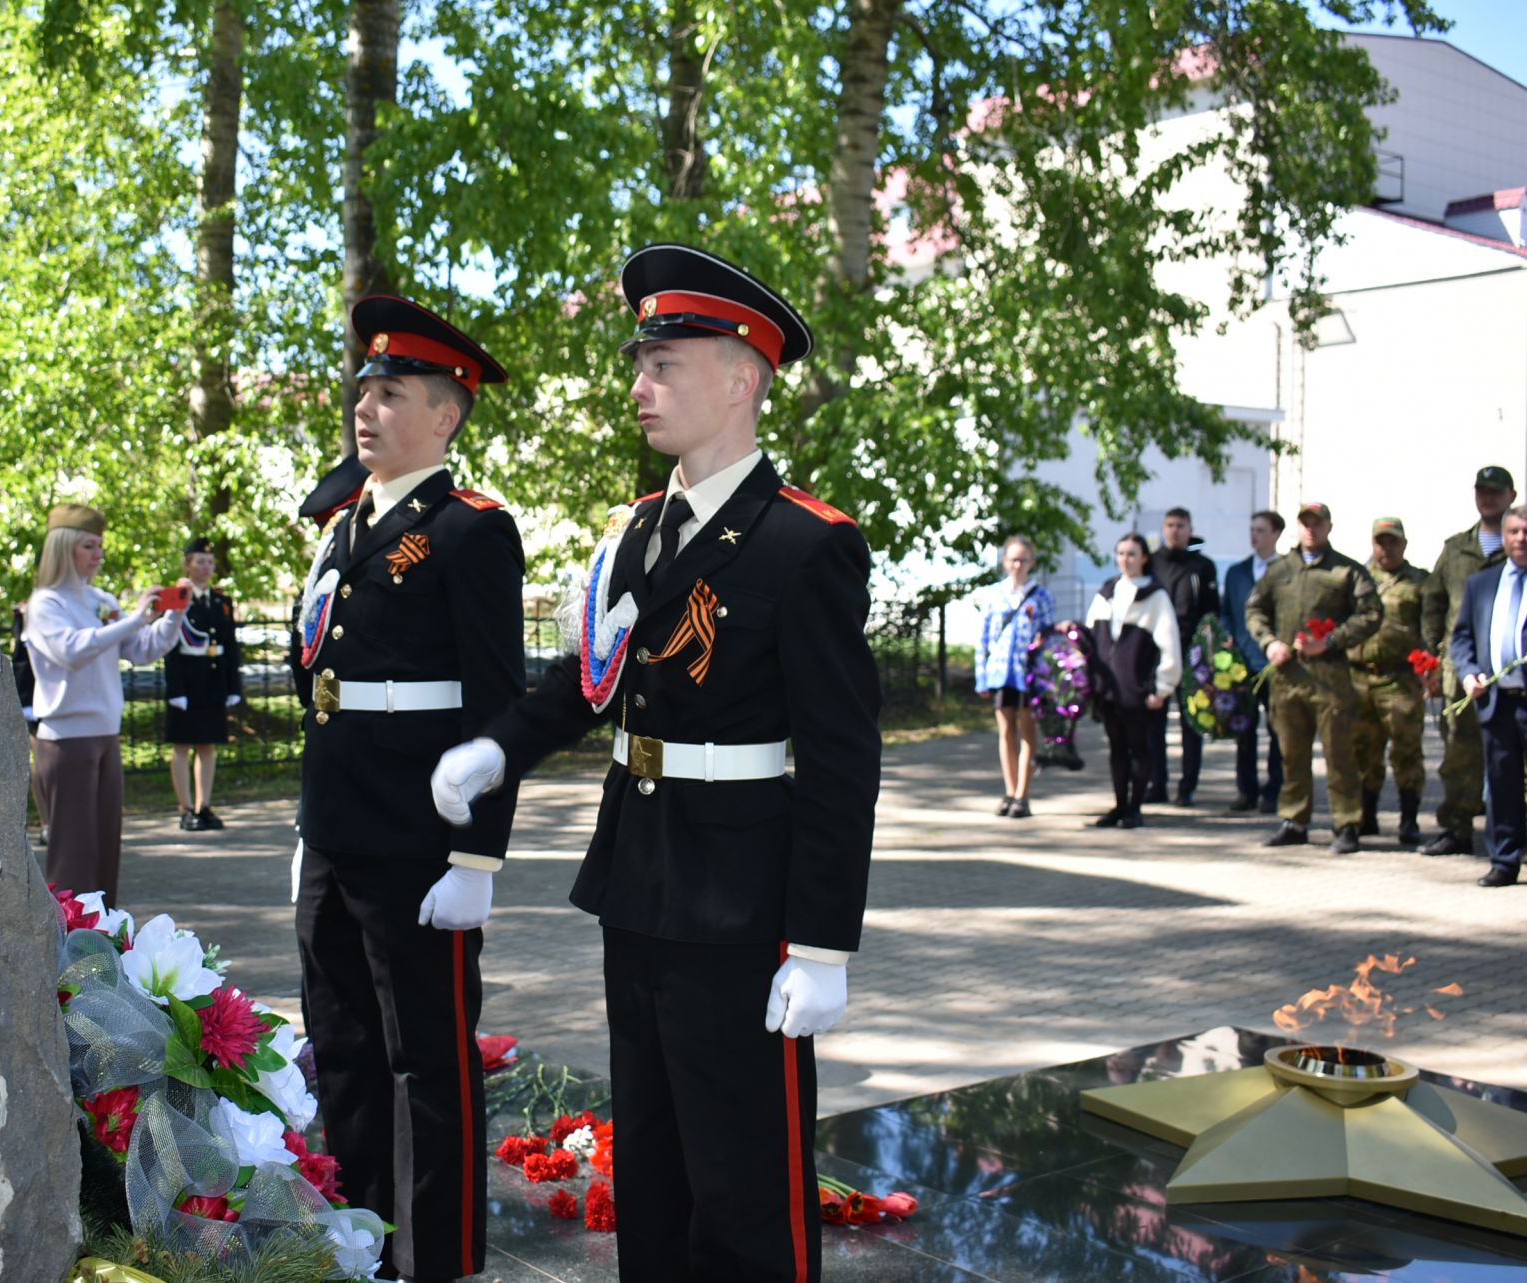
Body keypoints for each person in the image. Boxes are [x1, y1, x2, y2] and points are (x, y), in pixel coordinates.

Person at [430, 243, 880, 1283]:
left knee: (743, 1178)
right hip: (637, 878)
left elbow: (843, 758)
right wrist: (497, 745)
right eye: (641, 363)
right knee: (655, 1170)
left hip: (741, 896)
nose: (641, 384)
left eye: (666, 363)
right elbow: (586, 675)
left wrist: (820, 942)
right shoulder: (638, 533)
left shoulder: (804, 544)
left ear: (742, 378)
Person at [290, 295, 526, 1282]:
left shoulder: (472, 530)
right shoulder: (346, 524)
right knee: (339, 1046)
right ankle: (360, 1242)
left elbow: (499, 701)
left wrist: (477, 855)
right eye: (364, 390)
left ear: (444, 414)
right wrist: (311, 829)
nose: (366, 407)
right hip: (339, 822)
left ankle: (436, 1260)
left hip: (421, 836)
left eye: (391, 394)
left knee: (427, 1058)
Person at [23, 504, 182, 904]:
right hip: (67, 741)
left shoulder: (101, 599)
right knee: (74, 860)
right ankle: (67, 955)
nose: (99, 555)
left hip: (105, 737)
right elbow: (71, 651)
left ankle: (101, 950)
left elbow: (140, 649)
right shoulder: (46, 604)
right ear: (64, 548)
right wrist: (135, 620)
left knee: (104, 855)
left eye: (100, 547)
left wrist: (172, 616)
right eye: (89, 546)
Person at [1245, 502, 1382, 853]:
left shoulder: (1346, 571)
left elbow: (1371, 614)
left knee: (1340, 754)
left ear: (1328, 527)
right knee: (1291, 753)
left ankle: (1347, 823)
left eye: (1317, 524)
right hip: (1288, 677)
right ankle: (1294, 820)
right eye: (1305, 523)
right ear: (1298, 527)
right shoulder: (1279, 570)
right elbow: (1255, 609)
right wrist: (1269, 642)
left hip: (1331, 679)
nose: (1311, 529)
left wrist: (1332, 640)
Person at [1420, 465, 1517, 856]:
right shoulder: (1456, 548)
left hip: (1510, 669)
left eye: (1495, 491)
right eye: (1482, 491)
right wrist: (1430, 653)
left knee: (1514, 758)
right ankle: (1457, 828)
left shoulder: (1520, 545)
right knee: (1459, 754)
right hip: (1461, 668)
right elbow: (1433, 602)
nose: (1487, 498)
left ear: (1511, 496)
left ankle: (1515, 834)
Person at [1078, 533, 1181, 829]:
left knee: (1139, 748)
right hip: (1109, 688)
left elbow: (1169, 646)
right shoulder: (1107, 592)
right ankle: (1119, 804)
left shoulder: (1155, 596)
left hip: (1137, 688)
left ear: (1144, 558)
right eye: (1121, 553)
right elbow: (1089, 637)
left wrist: (1161, 687)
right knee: (1117, 748)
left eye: (1132, 554)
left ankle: (1135, 807)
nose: (1126, 559)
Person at [1448, 505, 1527, 887]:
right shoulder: (1483, 583)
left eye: (1526, 532)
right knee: (1501, 783)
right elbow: (1462, 637)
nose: (1521, 539)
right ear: (1504, 536)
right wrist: (1467, 674)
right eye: (1514, 532)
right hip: (1497, 701)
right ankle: (1504, 860)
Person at [1349, 517, 1429, 846]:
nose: (1387, 547)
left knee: (1406, 750)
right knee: (1363, 751)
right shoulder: (1358, 579)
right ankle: (1366, 816)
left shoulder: (1419, 582)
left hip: (1400, 678)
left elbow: (1430, 629)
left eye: (1393, 541)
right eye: (1381, 541)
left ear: (1404, 544)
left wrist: (1430, 669)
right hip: (1359, 676)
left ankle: (1408, 820)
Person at [164, 536, 243, 832]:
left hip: (212, 682)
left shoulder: (222, 601)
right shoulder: (177, 596)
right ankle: (185, 808)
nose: (206, 567)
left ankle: (204, 805)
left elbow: (230, 645)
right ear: (187, 564)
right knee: (183, 746)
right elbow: (169, 644)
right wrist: (175, 690)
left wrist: (233, 686)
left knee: (208, 745)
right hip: (186, 683)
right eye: (200, 561)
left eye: (210, 562)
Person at [974, 535, 1055, 817]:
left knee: (1027, 732)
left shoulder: (1041, 596)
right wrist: (981, 676)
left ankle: (1023, 793)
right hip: (1000, 673)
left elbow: (1050, 635)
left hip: (1028, 674)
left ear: (1032, 562)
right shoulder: (995, 595)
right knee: (1006, 731)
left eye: (1023, 559)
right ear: (1005, 562)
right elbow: (983, 638)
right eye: (1013, 559)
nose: (1018, 565)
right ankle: (1009, 791)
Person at [1147, 507, 1219, 806]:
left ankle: (1187, 785)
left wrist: (1209, 652)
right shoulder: (1151, 564)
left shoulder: (1202, 566)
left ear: (1190, 529)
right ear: (1164, 529)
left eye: (1181, 525)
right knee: (1154, 723)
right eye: (1170, 525)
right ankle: (1157, 782)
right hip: (1157, 655)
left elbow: (1212, 611)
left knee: (1192, 723)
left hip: (1192, 653)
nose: (1175, 530)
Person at [1221, 511, 1284, 814]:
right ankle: (1246, 790)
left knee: (1278, 730)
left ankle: (1274, 791)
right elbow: (1226, 612)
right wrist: (1227, 635)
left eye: (1261, 530)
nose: (1254, 535)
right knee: (1243, 729)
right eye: (1252, 530)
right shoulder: (1237, 572)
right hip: (1242, 664)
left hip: (1274, 665)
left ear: (1276, 534)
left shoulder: (1287, 571)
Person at [10, 601, 51, 845]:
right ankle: (47, 823)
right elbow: (21, 664)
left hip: (56, 701)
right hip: (35, 703)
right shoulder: (26, 619)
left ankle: (56, 821)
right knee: (43, 764)